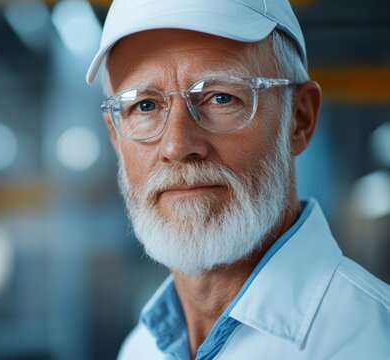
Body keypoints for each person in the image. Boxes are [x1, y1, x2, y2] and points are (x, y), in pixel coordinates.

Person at [85, 0, 390, 359]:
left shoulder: (373, 339)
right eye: (146, 106)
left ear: (300, 118)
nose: (178, 145)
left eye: (221, 97)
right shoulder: (140, 350)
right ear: (115, 137)